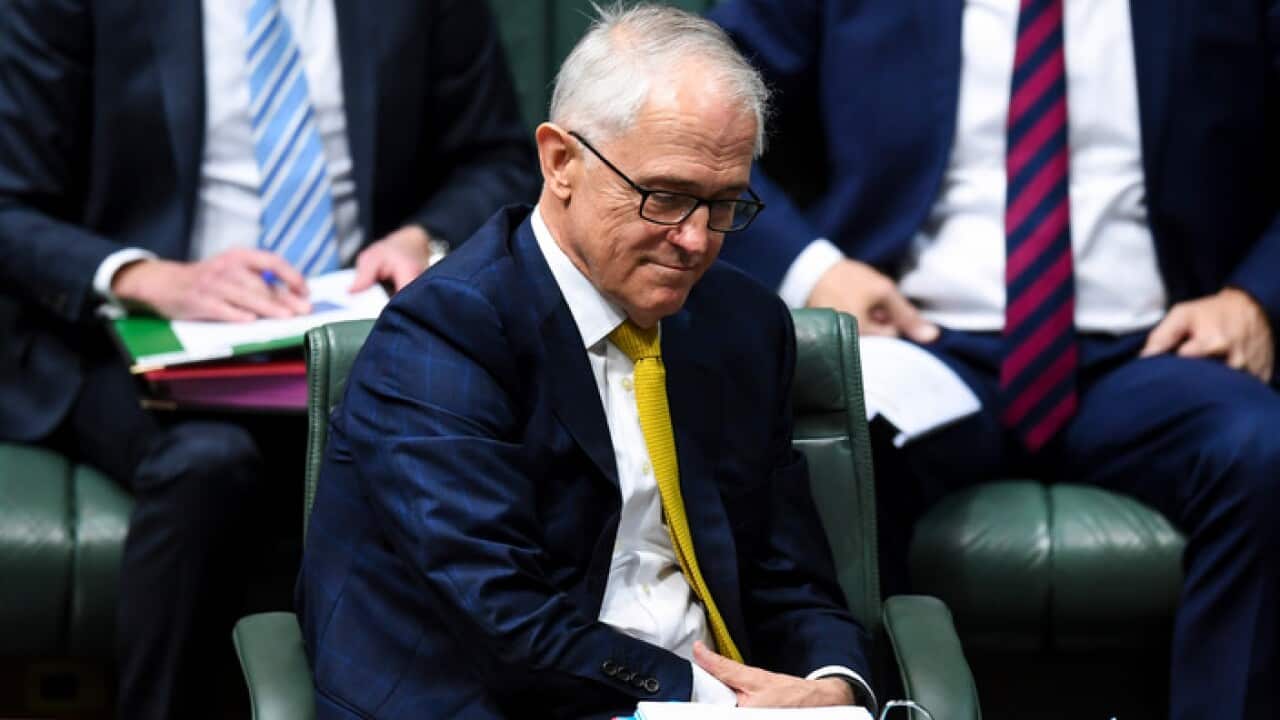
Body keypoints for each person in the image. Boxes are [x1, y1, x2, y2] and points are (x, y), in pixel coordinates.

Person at [298, 5, 876, 718]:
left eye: (724, 205)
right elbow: (507, 621)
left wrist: (833, 687)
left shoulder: (743, 326)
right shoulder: (444, 332)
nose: (695, 241)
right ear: (561, 161)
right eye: (665, 198)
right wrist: (717, 703)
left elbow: (791, 579)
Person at [709, 0, 1280, 718]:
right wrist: (817, 269)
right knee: (832, 445)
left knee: (1264, 448)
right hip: (922, 338)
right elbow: (708, 93)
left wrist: (1258, 296)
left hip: (1155, 347)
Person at [0, 0, 537, 716]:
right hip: (134, 337)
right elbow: (10, 201)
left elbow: (499, 156)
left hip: (364, 329)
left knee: (443, 447)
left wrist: (425, 238)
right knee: (206, 463)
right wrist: (146, 276)